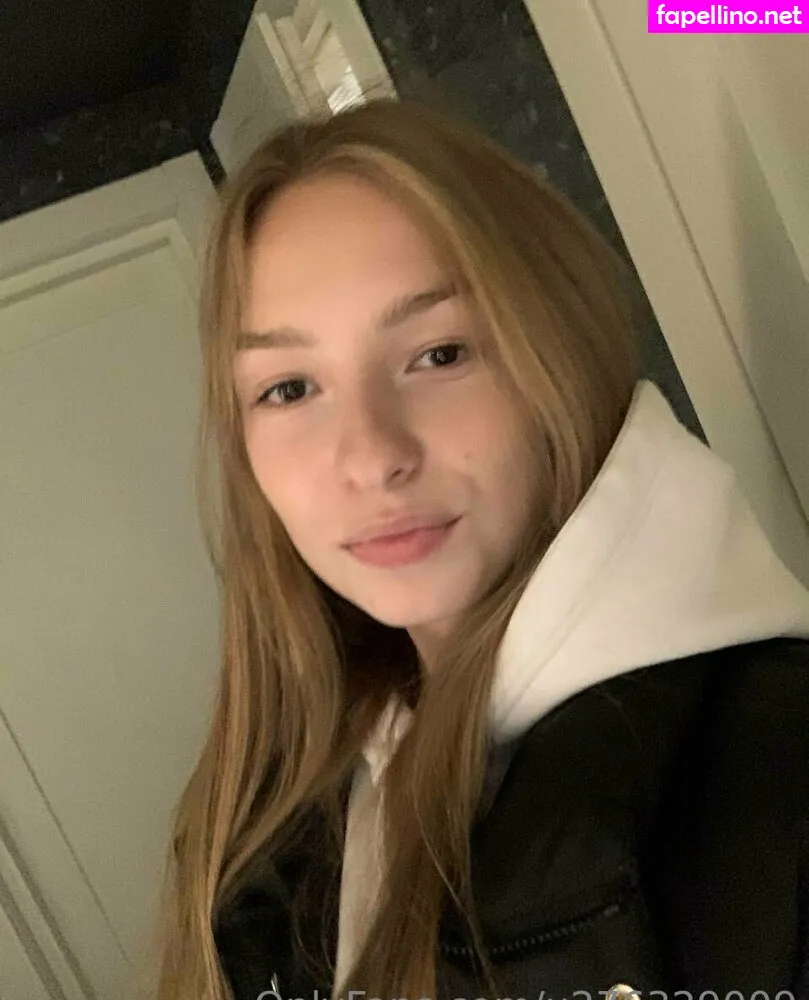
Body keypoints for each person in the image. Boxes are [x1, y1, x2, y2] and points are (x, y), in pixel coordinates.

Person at [152, 98, 809, 1000]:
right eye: (290, 387)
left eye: (440, 353)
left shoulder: (777, 773)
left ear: (560, 348)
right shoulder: (279, 809)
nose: (373, 457)